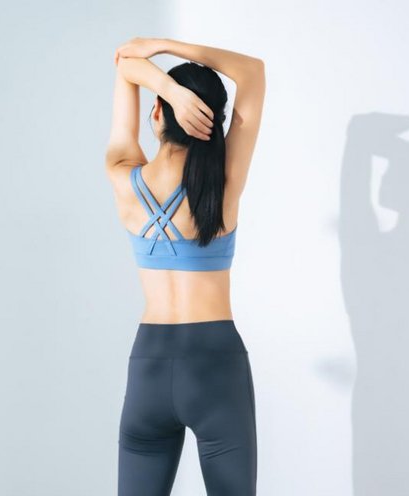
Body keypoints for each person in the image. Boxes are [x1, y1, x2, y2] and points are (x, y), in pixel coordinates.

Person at [105, 37, 265, 496]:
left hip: (149, 366)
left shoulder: (123, 177)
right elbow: (253, 71)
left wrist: (168, 88)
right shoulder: (224, 184)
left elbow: (125, 65)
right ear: (212, 123)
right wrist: (166, 45)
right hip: (216, 365)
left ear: (155, 112)